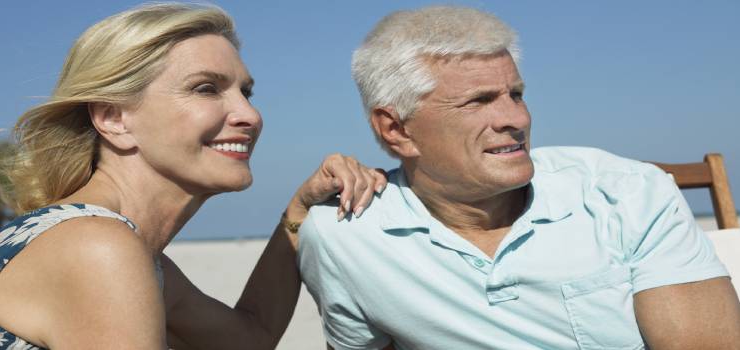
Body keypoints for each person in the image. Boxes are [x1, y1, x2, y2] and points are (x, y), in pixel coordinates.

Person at [0, 3, 386, 349]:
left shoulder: (107, 245)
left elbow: (250, 337)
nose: (249, 114)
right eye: (206, 88)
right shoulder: (99, 251)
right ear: (114, 118)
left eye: (245, 92)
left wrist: (298, 209)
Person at [297, 5, 740, 350]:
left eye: (516, 94)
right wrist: (298, 209)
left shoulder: (625, 193)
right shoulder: (346, 236)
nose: (516, 118)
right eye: (479, 101)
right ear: (396, 130)